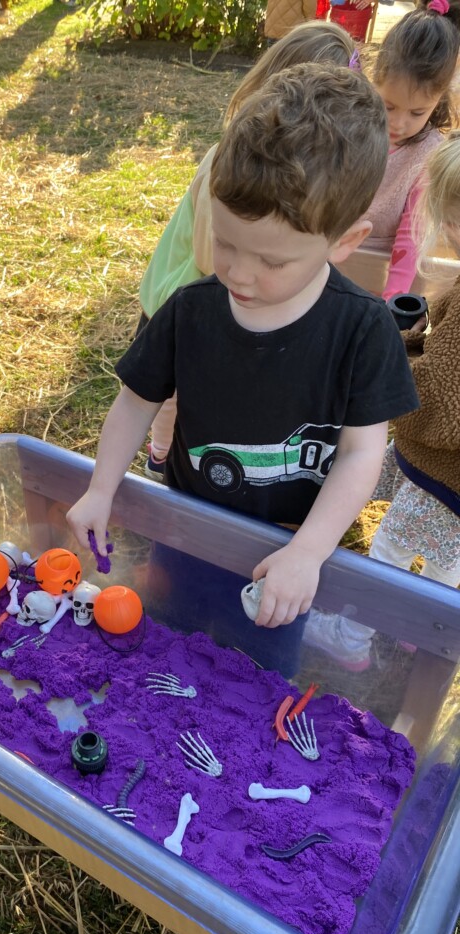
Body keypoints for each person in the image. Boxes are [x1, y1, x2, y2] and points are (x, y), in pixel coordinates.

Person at [67, 64, 419, 677]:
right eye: (226, 242)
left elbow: (364, 454)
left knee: (258, 672)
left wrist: (308, 552)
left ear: (344, 240)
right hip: (190, 526)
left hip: (284, 551)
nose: (239, 273)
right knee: (169, 641)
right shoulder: (191, 310)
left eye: (272, 260)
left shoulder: (362, 331)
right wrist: (101, 488)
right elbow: (134, 402)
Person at [138, 22, 358, 482]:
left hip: (225, 310)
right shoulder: (226, 165)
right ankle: (160, 457)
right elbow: (206, 254)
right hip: (178, 303)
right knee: (170, 397)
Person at [306, 132, 460, 670]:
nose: (449, 229)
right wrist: (415, 338)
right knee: (448, 560)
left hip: (442, 476)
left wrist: (386, 371)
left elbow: (440, 403)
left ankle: (352, 637)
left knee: (393, 548)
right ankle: (425, 628)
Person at [354, 0, 460, 301]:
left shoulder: (428, 154)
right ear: (376, 79)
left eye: (417, 113)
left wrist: (394, 297)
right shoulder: (351, 123)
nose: (399, 123)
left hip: (379, 276)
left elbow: (411, 235)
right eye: (389, 106)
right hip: (331, 256)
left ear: (439, 100)